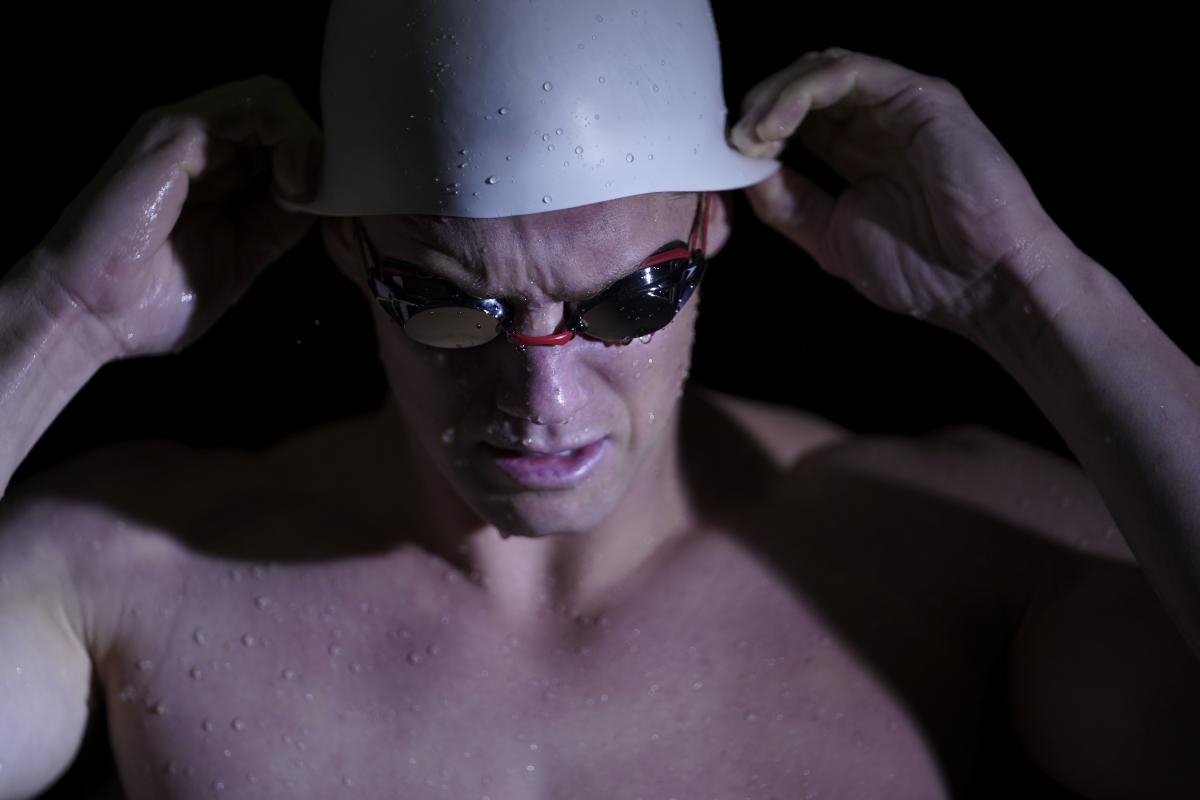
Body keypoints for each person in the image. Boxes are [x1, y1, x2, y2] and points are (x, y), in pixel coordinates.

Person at [1, 1, 1197, 798]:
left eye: (630, 299)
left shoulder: (950, 553)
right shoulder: (129, 572)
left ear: (708, 227)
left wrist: (1031, 294)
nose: (542, 392)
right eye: (449, 304)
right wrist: (59, 319)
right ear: (348, 252)